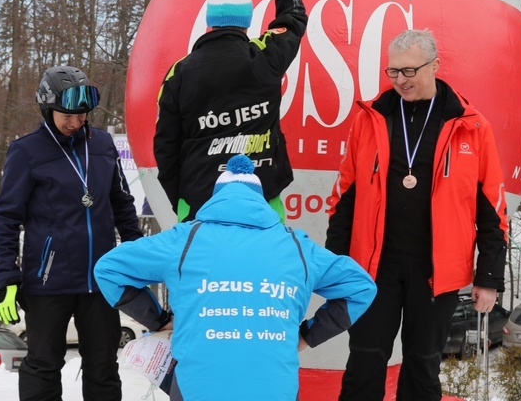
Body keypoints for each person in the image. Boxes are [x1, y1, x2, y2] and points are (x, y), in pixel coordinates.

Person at [94, 154, 377, 401]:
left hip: (197, 390)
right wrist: (307, 335)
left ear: (216, 197)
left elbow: (108, 269)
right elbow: (361, 287)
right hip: (274, 391)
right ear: (261, 201)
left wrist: (158, 319)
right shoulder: (296, 247)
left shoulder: (185, 240)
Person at [325, 29, 509, 400]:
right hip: (375, 268)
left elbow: (492, 210)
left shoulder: (471, 127)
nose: (400, 81)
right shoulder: (370, 119)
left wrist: (488, 276)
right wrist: (337, 264)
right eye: (393, 72)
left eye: (409, 71)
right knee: (363, 363)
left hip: (435, 273)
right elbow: (345, 195)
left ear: (435, 66)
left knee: (423, 367)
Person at [0, 66, 142, 401]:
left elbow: (122, 203)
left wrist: (135, 255)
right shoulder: (27, 151)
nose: (76, 122)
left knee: (103, 367)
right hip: (47, 282)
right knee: (44, 365)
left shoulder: (103, 144)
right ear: (47, 108)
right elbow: (5, 217)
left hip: (100, 280)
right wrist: (8, 278)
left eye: (82, 115)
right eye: (67, 116)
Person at [154, 0, 307, 223]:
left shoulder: (180, 72)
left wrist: (183, 199)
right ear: (246, 21)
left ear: (210, 21)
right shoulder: (265, 55)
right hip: (262, 198)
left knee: (201, 270)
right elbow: (294, 16)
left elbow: (165, 148)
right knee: (265, 270)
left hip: (198, 205)